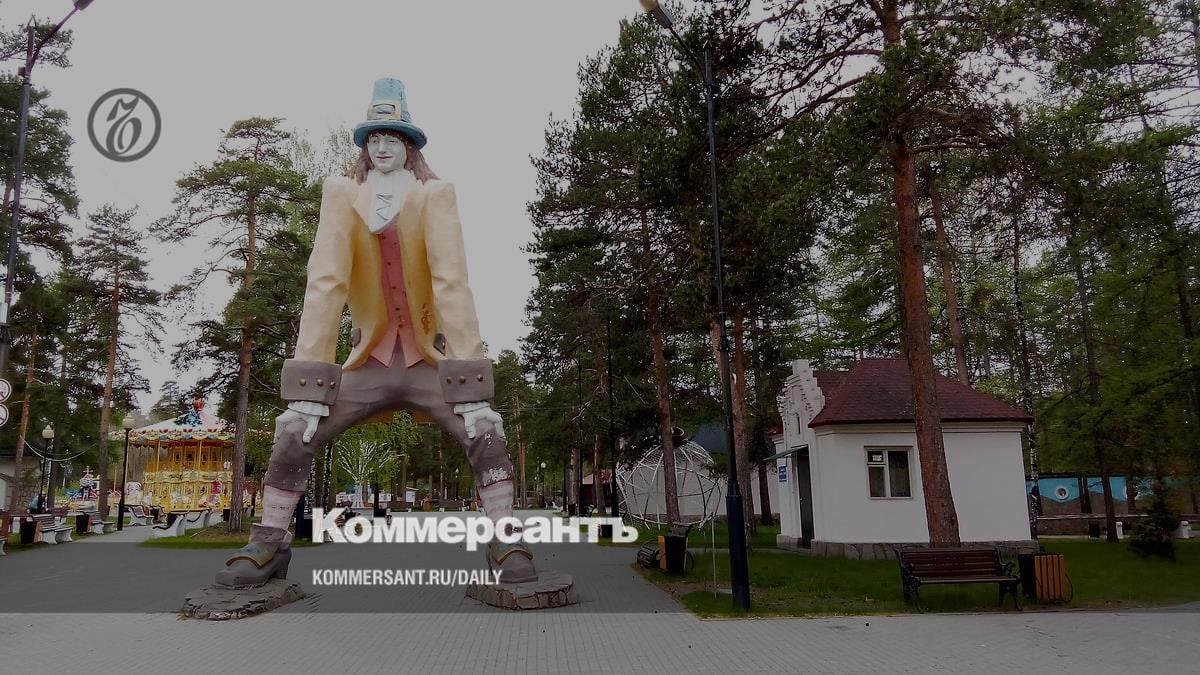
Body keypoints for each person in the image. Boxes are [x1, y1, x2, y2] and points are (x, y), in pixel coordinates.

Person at [215, 78, 534, 588]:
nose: (382, 147)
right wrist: (309, 385)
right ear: (365, 147)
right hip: (370, 361)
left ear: (410, 146)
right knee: (296, 429)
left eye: (393, 137)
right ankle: (268, 543)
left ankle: (506, 538)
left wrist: (470, 381)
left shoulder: (434, 195)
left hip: (427, 361)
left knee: (484, 429)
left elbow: (452, 283)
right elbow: (326, 282)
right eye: (374, 138)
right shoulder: (344, 195)